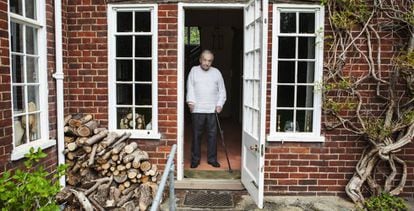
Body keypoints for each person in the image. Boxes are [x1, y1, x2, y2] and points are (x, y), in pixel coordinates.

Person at [186, 50, 226, 168]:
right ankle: (195, 159)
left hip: (212, 110)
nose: (207, 63)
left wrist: (220, 104)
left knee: (212, 135)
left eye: (209, 61)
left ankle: (212, 159)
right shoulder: (194, 71)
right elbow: (190, 87)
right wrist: (190, 102)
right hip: (197, 109)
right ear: (200, 60)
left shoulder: (216, 72)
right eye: (205, 60)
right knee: (196, 135)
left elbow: (222, 90)